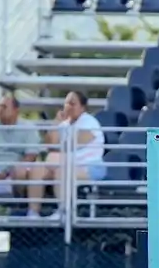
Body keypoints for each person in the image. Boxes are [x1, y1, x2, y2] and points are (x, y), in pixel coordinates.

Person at [26, 90, 105, 219]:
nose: (68, 107)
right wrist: (55, 124)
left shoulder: (90, 122)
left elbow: (71, 144)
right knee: (38, 168)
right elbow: (50, 146)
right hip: (63, 163)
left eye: (72, 104)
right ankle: (33, 213)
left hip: (89, 167)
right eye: (66, 103)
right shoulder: (63, 124)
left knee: (61, 170)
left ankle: (64, 212)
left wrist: (55, 154)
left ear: (82, 107)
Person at [0, 92, 40, 211]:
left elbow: (31, 155)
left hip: (14, 171)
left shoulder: (28, 127)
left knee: (21, 171)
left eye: (4, 107)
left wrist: (6, 172)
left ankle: (18, 206)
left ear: (16, 110)